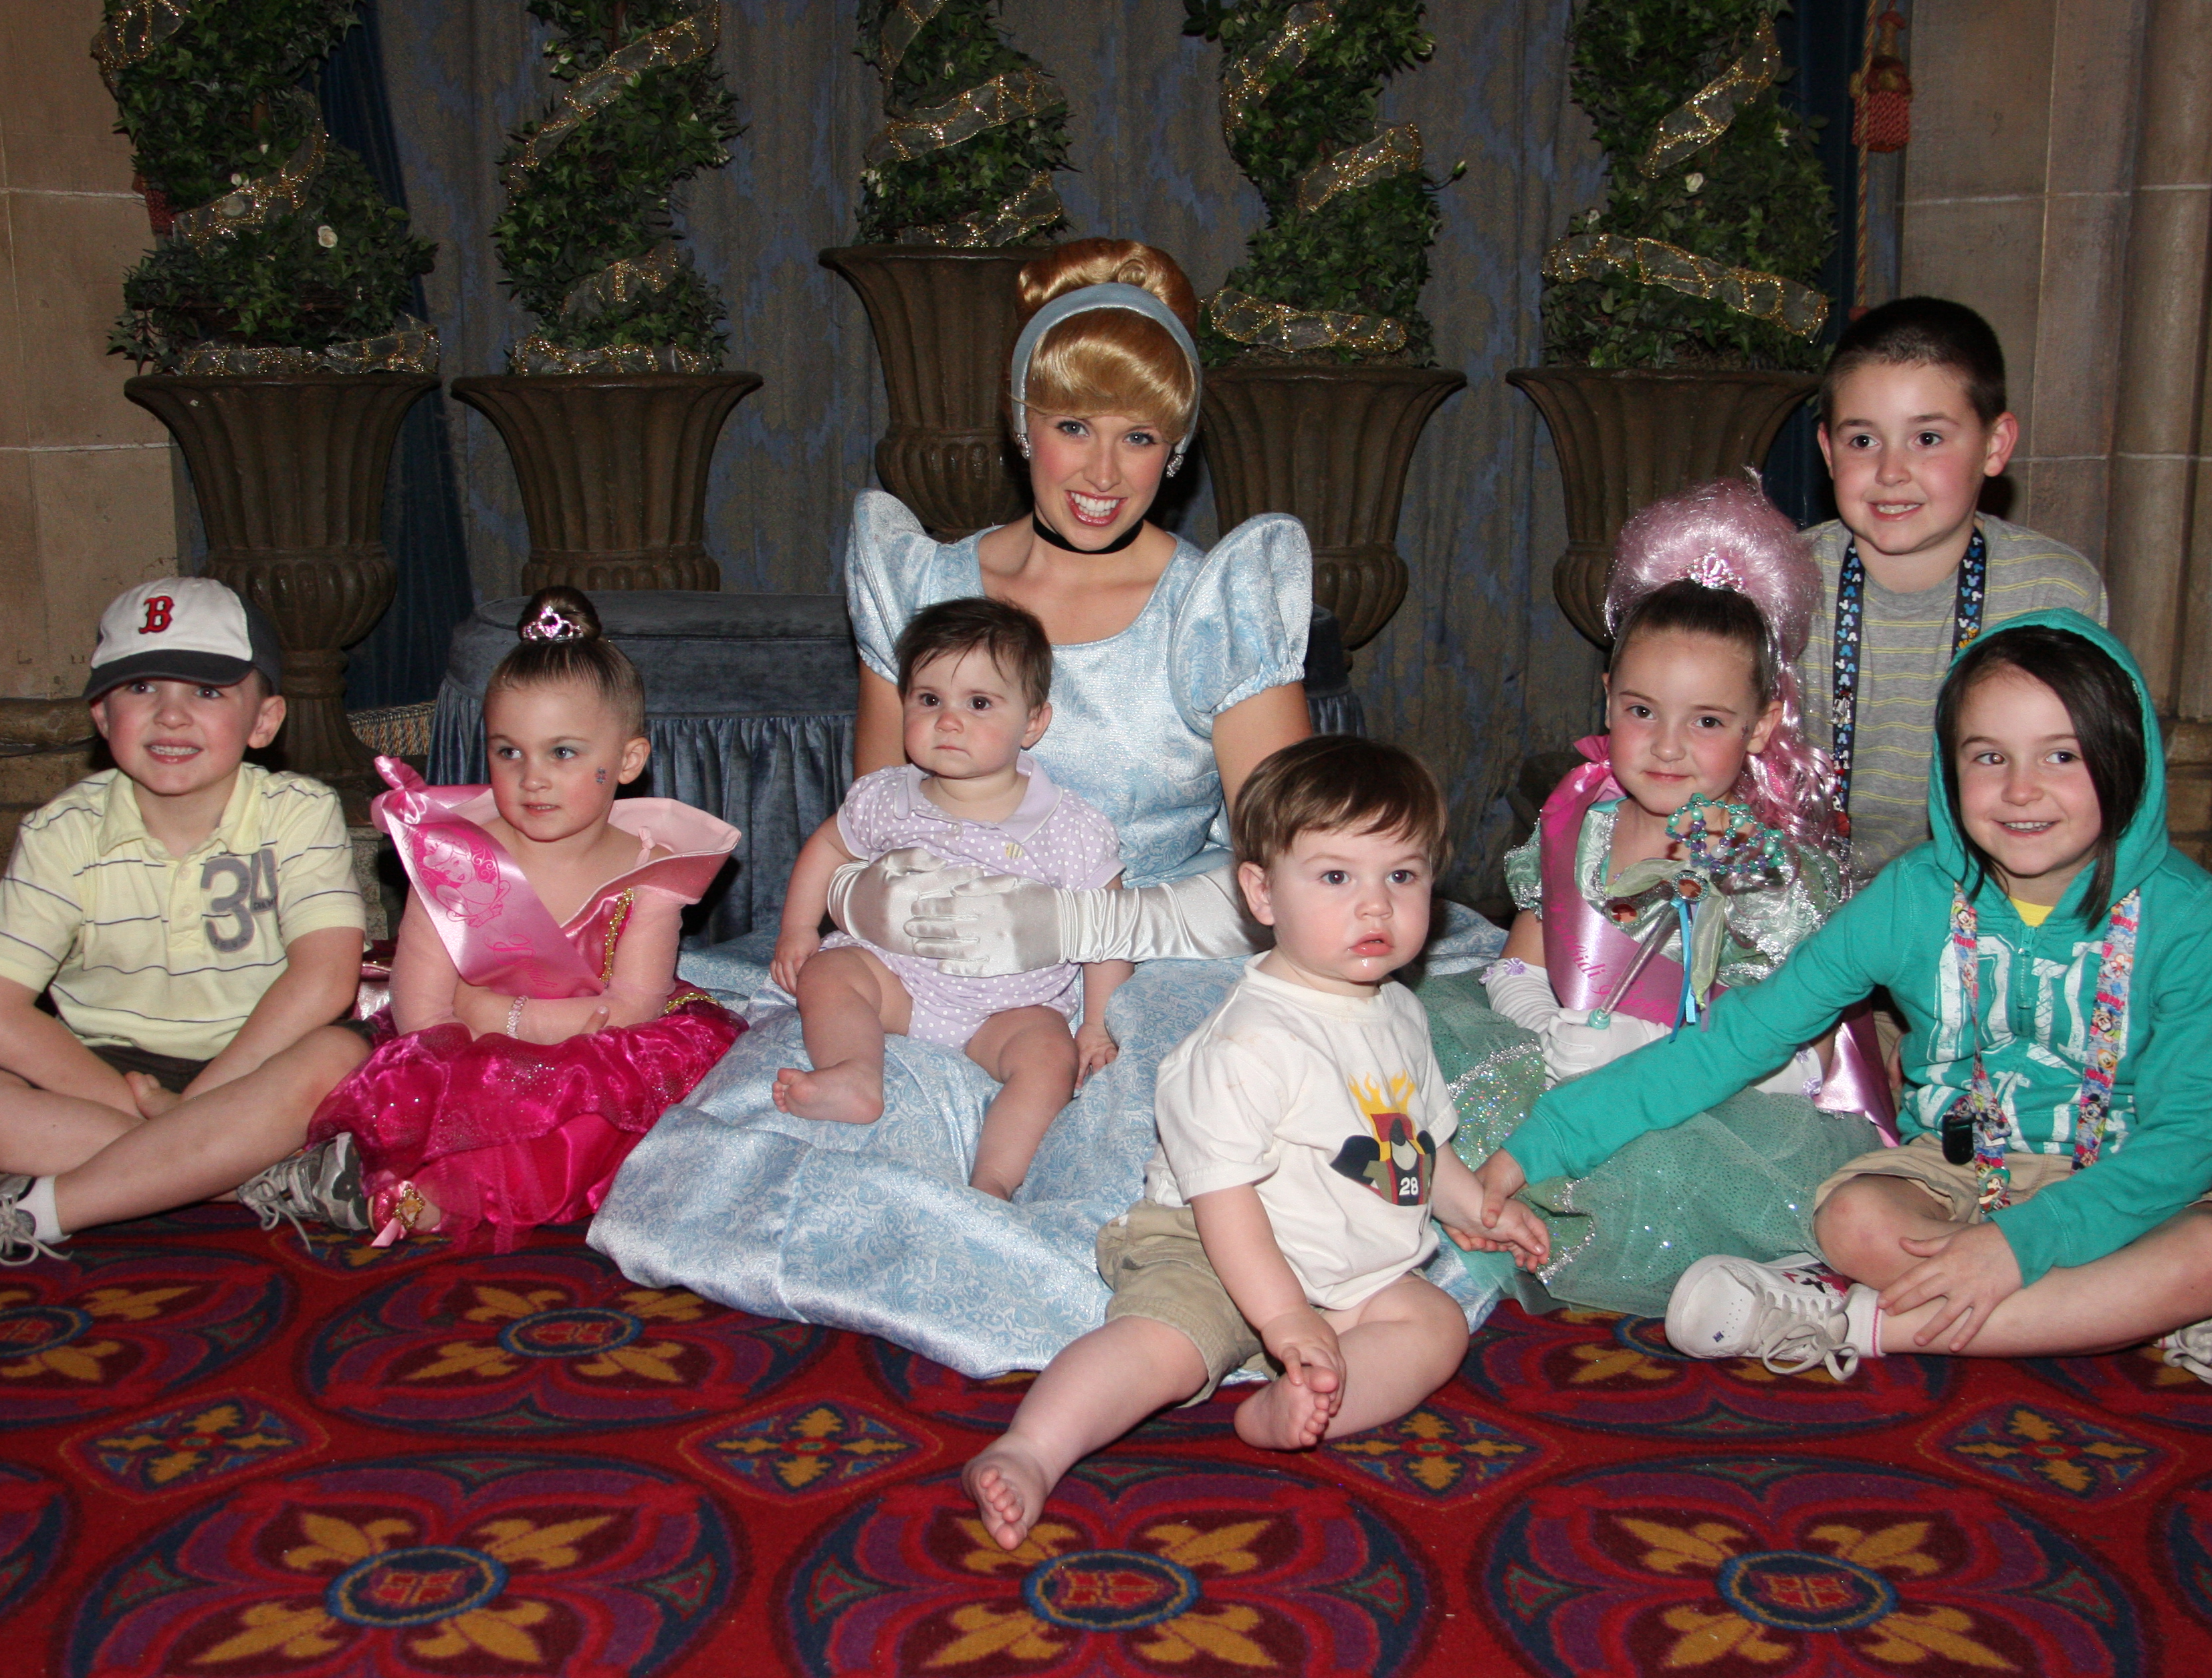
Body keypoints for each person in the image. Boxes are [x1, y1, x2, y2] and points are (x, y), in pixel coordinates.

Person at [588, 237, 1509, 1377]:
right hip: (927, 969)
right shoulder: (924, 582)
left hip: (1150, 973)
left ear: (1177, 451)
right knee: (777, 1147)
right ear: (1021, 424)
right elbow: (872, 822)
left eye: (1140, 437)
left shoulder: (1211, 606)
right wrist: (902, 915)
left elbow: (1292, 878)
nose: (1103, 470)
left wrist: (1067, 932)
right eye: (1073, 425)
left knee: (1147, 1168)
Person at [1504, 610, 2212, 1395]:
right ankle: (2165, 1311)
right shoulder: (1913, 898)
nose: (2021, 790)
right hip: (1953, 1174)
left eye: (2062, 756)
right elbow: (1739, 1038)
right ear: (1949, 770)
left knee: (2210, 1251)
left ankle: (1850, 1323)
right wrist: (1538, 1145)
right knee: (1853, 1219)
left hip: (2123, 1178)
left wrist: (2018, 1248)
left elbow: (2196, 1132)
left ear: (2127, 759)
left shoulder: (2189, 918)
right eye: (1989, 757)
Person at [963, 737, 1549, 1549]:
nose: (1375, 907)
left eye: (1402, 877)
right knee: (1163, 1346)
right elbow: (1224, 1198)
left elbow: (1414, 1143)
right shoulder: (1249, 1043)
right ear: (1262, 892)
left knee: (1435, 1325)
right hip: (1212, 1243)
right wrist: (1281, 1319)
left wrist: (1473, 1203)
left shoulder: (1400, 1012)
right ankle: (1032, 1448)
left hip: (1340, 1252)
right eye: (1336, 877)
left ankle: (1300, 1405)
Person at [1428, 477, 1894, 1316]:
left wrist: (1634, 1048)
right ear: (1607, 695)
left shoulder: (1768, 873)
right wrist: (1547, 1027)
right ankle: (1458, 1225)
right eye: (1642, 711)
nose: (1668, 746)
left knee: (1661, 1169)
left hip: (1707, 1104)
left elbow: (1806, 1061)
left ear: (1761, 725)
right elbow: (1519, 964)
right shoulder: (1579, 823)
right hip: (1562, 1058)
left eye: (1707, 721)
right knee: (1417, 1048)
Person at [0, 578, 372, 1268]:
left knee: (337, 1058)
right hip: (103, 1070)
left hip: (259, 1063)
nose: (171, 715)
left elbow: (325, 980)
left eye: (207, 692)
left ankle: (33, 1210)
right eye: (141, 688)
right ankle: (256, 1176)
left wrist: (200, 1103)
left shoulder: (298, 812)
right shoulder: (61, 832)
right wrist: (160, 1118)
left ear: (264, 721)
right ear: (101, 714)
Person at [306, 588, 744, 1251]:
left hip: (597, 1056)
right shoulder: (458, 855)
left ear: (628, 761)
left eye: (562, 753)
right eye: (509, 752)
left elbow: (632, 1010)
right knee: (448, 1095)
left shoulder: (654, 871)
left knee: (612, 1116)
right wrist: (472, 1057)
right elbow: (423, 1009)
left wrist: (507, 1018)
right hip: (467, 1052)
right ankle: (393, 1173)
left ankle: (441, 1191)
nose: (531, 777)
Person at [772, 598, 1127, 1199]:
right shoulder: (887, 797)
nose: (949, 722)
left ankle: (994, 1181)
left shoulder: (1068, 827)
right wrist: (798, 929)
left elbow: (1107, 928)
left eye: (979, 703)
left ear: (1033, 722)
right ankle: (854, 1074)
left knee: (1049, 1059)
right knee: (829, 974)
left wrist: (1096, 1023)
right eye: (929, 699)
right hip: (897, 979)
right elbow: (830, 845)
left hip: (1011, 1007)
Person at [1800, 297, 2107, 874]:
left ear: (1994, 445)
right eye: (1862, 441)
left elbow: (2087, 786)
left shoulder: (2053, 594)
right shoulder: (1784, 583)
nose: (1891, 472)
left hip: (1988, 888)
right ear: (1828, 452)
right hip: (1804, 888)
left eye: (1928, 439)